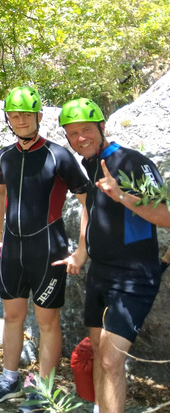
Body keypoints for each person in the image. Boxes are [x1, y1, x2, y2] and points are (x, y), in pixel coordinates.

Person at [55, 98, 170, 413]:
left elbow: (166, 215)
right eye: (72, 134)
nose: (80, 139)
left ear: (102, 127)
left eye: (86, 130)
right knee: (98, 354)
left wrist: (121, 195)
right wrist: (81, 251)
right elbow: (90, 209)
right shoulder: (89, 163)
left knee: (109, 358)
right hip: (100, 272)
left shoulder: (133, 162)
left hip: (133, 276)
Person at [0, 86, 88, 412]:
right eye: (15, 116)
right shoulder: (4, 155)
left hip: (49, 249)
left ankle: (44, 389)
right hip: (12, 249)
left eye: (26, 115)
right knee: (12, 316)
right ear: (8, 120)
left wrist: (82, 249)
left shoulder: (59, 155)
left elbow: (88, 201)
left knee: (47, 323)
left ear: (39, 117)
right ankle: (9, 379)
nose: (21, 120)